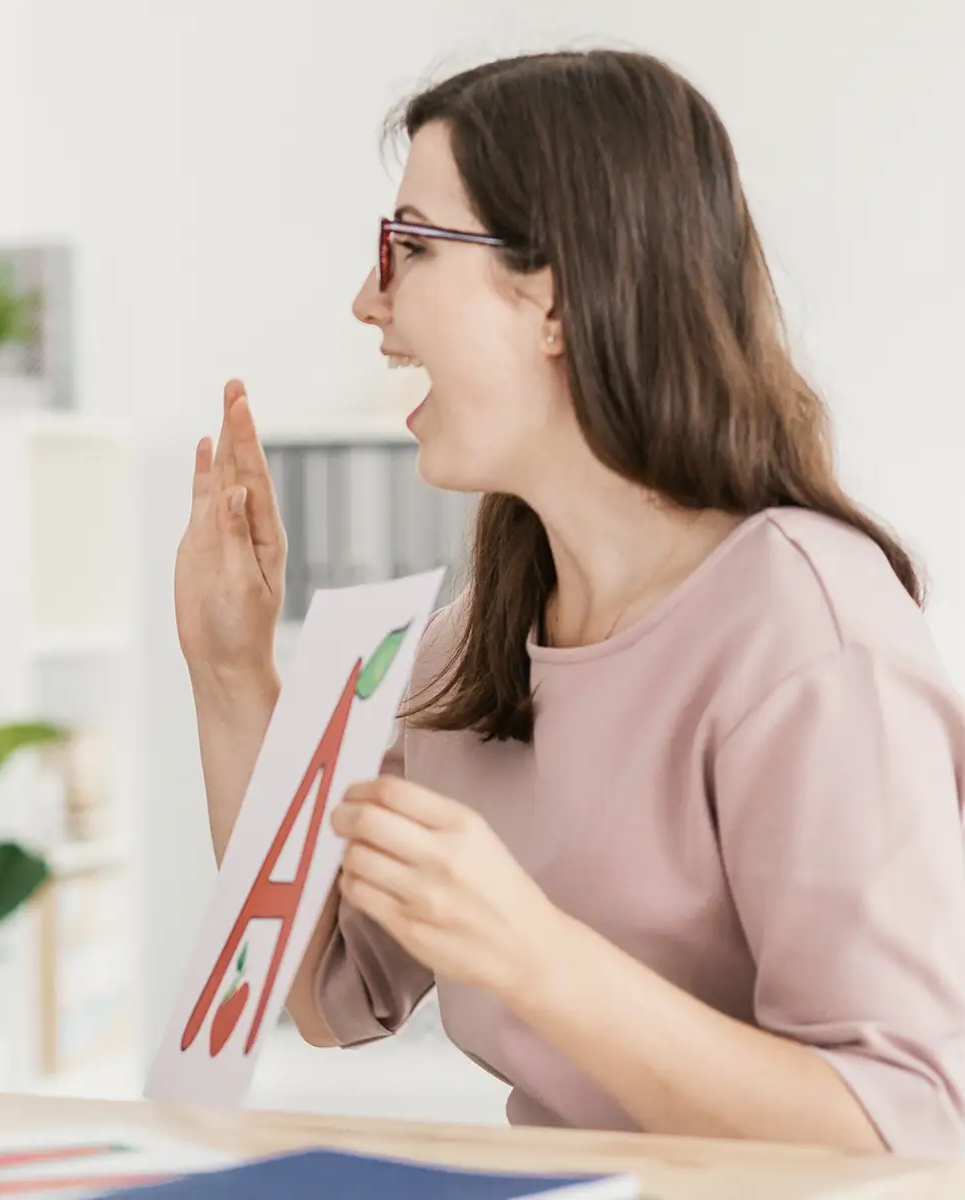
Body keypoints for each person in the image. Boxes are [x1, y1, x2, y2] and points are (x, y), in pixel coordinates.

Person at [175, 50, 965, 1155]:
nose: (370, 300)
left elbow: (904, 1132)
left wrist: (535, 956)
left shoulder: (810, 639)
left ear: (552, 296)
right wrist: (230, 673)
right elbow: (326, 991)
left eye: (408, 246)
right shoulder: (476, 644)